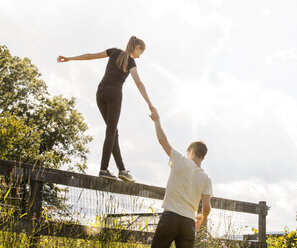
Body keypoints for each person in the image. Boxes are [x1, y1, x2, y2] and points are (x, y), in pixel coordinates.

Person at [57, 36, 154, 182]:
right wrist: (149, 103)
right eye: (141, 51)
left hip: (100, 93)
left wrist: (70, 58)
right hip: (114, 96)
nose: (140, 56)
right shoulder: (131, 62)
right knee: (111, 132)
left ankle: (122, 169)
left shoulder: (114, 51)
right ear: (137, 47)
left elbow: (90, 56)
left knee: (113, 132)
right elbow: (139, 83)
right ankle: (103, 169)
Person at [149, 109, 213, 248]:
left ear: (191, 151)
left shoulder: (180, 160)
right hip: (188, 223)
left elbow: (162, 140)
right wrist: (202, 218)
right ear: (203, 157)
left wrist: (157, 120)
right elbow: (207, 207)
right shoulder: (206, 179)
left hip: (170, 218)